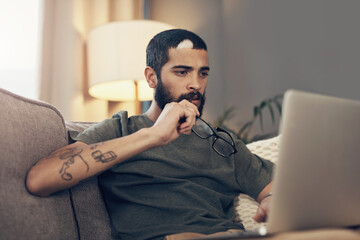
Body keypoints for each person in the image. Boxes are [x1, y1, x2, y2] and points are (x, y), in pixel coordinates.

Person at [26, 29, 274, 240]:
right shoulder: (121, 129)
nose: (196, 84)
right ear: (151, 77)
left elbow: (277, 188)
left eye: (203, 73)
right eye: (182, 72)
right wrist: (154, 136)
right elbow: (40, 180)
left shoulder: (221, 142)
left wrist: (272, 200)